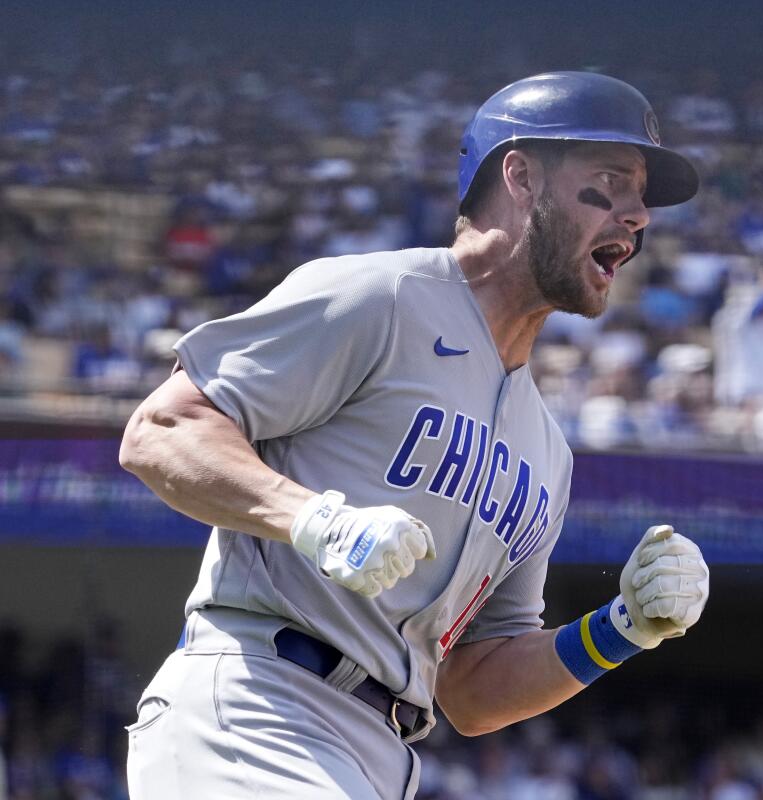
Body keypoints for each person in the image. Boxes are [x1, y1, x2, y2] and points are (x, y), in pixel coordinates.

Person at [118, 72, 711, 800]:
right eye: (611, 182)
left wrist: (621, 629)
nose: (638, 215)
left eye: (641, 195)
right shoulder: (381, 296)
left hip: (384, 755)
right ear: (520, 176)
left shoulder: (548, 452)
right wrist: (311, 518)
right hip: (256, 704)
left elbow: (472, 686)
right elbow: (162, 428)